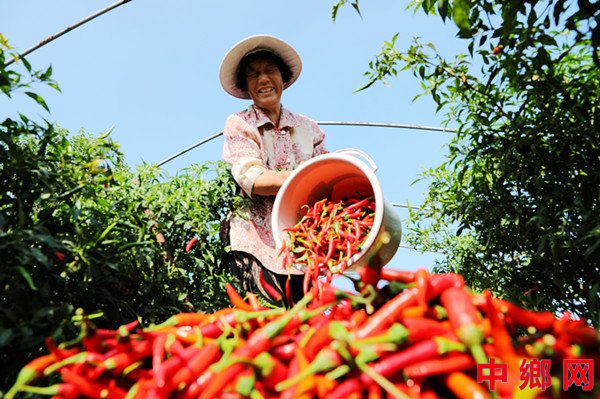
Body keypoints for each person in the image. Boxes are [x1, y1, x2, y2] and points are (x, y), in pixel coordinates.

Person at [220, 34, 328, 305]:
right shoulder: (240, 124)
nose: (263, 79)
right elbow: (252, 177)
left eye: (270, 71)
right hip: (259, 246)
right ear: (247, 86)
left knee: (309, 328)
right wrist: (306, 178)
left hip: (304, 247)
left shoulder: (307, 127)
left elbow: (328, 175)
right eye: (254, 74)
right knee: (269, 324)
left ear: (283, 78)